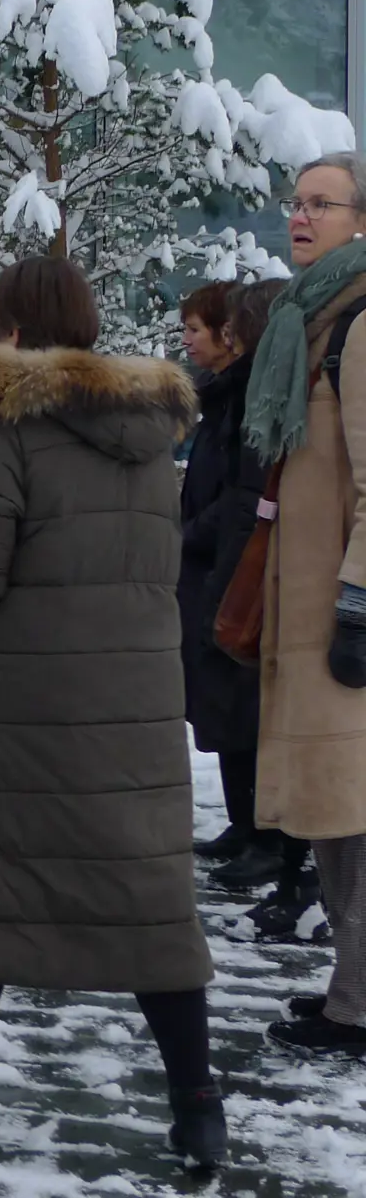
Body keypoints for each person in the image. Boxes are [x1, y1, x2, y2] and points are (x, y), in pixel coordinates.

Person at [0, 257, 223, 1168]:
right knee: (151, 905)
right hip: (133, 707)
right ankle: (198, 1106)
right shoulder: (147, 436)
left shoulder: (4, 433)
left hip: (18, 706)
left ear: (11, 333)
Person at [250, 152, 366, 1057]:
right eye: (296, 202)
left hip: (344, 607)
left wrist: (358, 605)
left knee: (354, 814)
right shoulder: (309, 317)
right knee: (335, 813)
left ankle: (358, 1007)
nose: (301, 215)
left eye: (322, 204)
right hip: (312, 606)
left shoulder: (358, 323)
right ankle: (348, 990)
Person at [199, 280, 324, 937]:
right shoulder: (243, 390)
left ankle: (281, 853)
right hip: (250, 565)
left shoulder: (267, 392)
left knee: (260, 712)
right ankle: (262, 839)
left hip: (267, 571)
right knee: (241, 707)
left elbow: (249, 495)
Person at [176, 280, 290, 890]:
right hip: (214, 562)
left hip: (232, 565)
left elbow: (245, 497)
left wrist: (190, 534)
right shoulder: (225, 394)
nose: (188, 340)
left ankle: (268, 837)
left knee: (243, 703)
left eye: (197, 328)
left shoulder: (250, 399)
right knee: (222, 699)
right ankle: (245, 825)